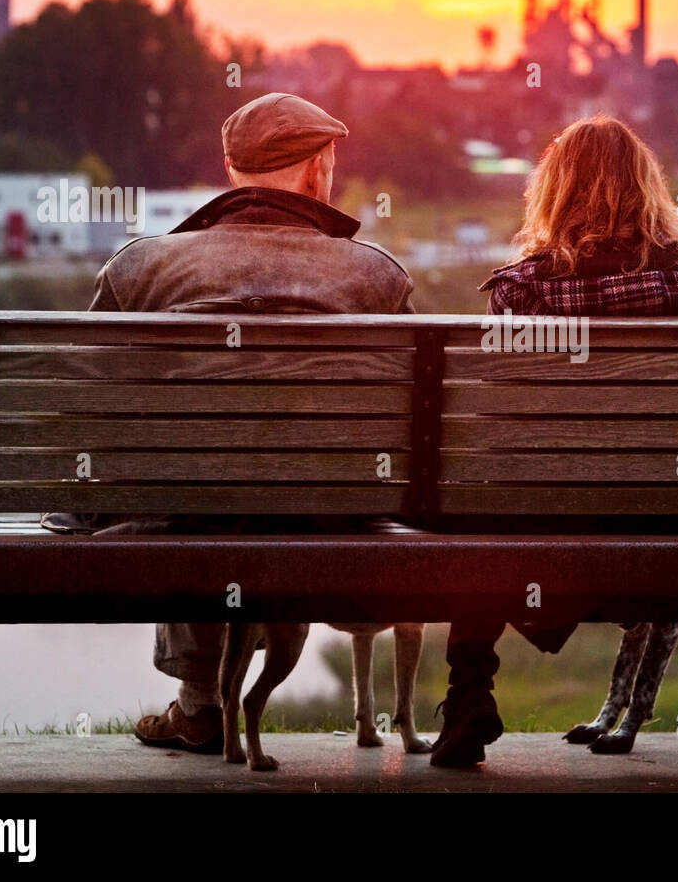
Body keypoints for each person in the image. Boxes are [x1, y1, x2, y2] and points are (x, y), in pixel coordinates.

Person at [430, 114, 678, 767]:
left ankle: (469, 691)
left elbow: (498, 433)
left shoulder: (522, 291)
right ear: (649, 189)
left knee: (477, 502)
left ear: (554, 192)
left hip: (561, 522)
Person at [41, 92, 414, 754]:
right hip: (332, 521)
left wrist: (79, 510)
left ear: (229, 168)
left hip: (189, 521)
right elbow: (413, 416)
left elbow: (86, 408)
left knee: (189, 489)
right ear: (315, 169)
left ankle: (198, 704)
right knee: (239, 490)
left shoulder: (141, 266)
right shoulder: (375, 276)